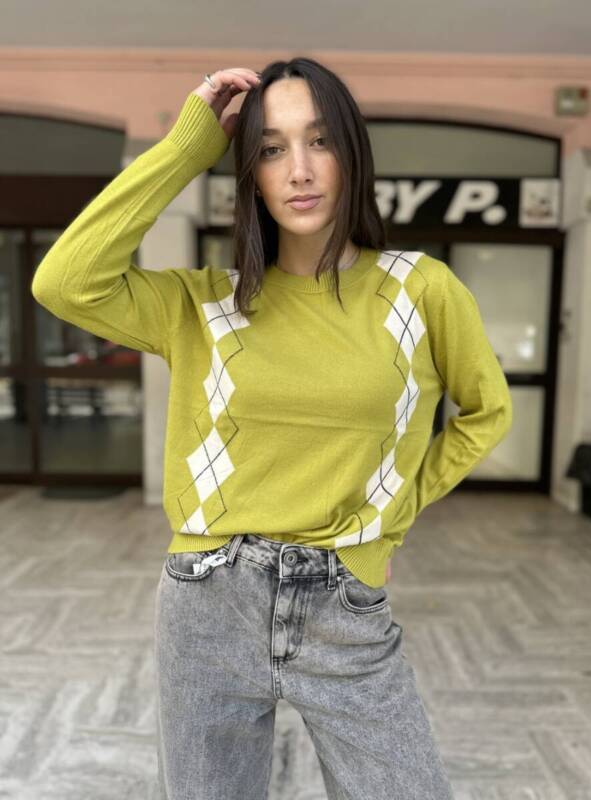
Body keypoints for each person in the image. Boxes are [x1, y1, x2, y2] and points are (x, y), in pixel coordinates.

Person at [31, 57, 512, 799]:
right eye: (270, 148)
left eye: (319, 140)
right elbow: (64, 282)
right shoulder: (202, 304)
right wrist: (189, 145)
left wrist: (389, 517)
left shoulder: (419, 289)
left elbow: (486, 412)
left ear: (351, 153)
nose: (299, 170)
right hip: (208, 601)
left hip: (345, 607)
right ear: (251, 175)